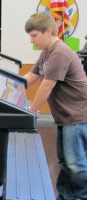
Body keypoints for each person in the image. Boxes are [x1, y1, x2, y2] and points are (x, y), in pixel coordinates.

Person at [23, 12, 87, 200]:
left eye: (34, 35)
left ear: (48, 31)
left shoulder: (59, 52)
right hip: (64, 117)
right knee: (65, 162)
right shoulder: (47, 52)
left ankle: (82, 196)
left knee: (75, 163)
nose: (32, 41)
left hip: (76, 116)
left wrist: (31, 110)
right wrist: (7, 86)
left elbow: (46, 86)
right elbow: (31, 77)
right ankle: (66, 196)